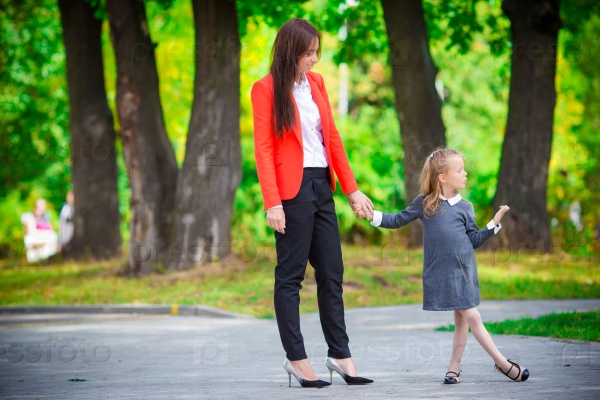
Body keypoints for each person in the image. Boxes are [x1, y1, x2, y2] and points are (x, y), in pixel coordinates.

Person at [251, 18, 374, 388]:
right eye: (309, 54)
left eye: (317, 52)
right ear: (291, 53)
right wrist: (272, 202)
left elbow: (332, 138)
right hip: (291, 192)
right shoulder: (265, 89)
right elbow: (264, 148)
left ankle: (340, 354)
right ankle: (297, 359)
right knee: (290, 277)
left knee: (332, 273)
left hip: (322, 186)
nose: (315, 60)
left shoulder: (316, 84)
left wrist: (352, 189)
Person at [356, 148, 529, 384]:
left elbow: (475, 240)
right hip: (442, 273)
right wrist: (371, 214)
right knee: (463, 319)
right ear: (443, 177)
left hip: (464, 273)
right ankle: (461, 368)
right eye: (459, 170)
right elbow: (397, 220)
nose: (465, 173)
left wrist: (493, 224)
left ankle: (500, 364)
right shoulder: (425, 203)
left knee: (470, 317)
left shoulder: (465, 207)